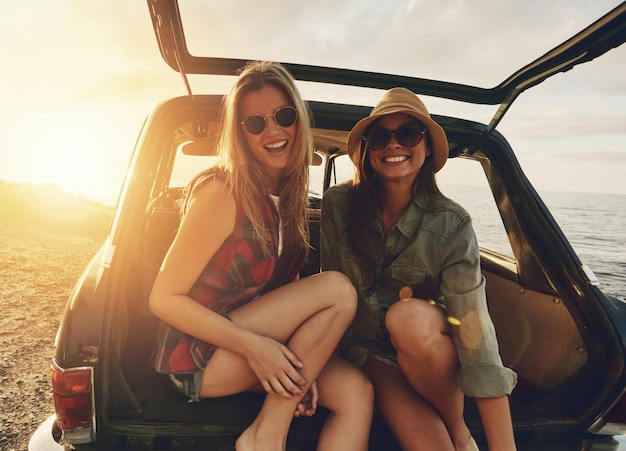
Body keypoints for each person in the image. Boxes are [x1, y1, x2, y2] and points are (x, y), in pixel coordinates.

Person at [149, 61, 373, 451]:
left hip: (256, 342)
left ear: (299, 121)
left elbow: (287, 293)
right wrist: (257, 348)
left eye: (283, 116)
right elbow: (163, 299)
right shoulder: (222, 192)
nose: (273, 131)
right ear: (240, 134)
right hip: (203, 359)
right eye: (255, 123)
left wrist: (309, 365)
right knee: (339, 289)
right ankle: (267, 436)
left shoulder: (288, 199)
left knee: (358, 393)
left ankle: (271, 424)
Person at [321, 87, 517, 451]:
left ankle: (458, 427)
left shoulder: (451, 223)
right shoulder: (339, 204)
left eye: (409, 133)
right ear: (367, 149)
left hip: (426, 349)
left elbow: (473, 329)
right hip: (366, 354)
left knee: (408, 318)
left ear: (427, 148)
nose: (394, 145)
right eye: (380, 136)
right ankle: (451, 435)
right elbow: (330, 294)